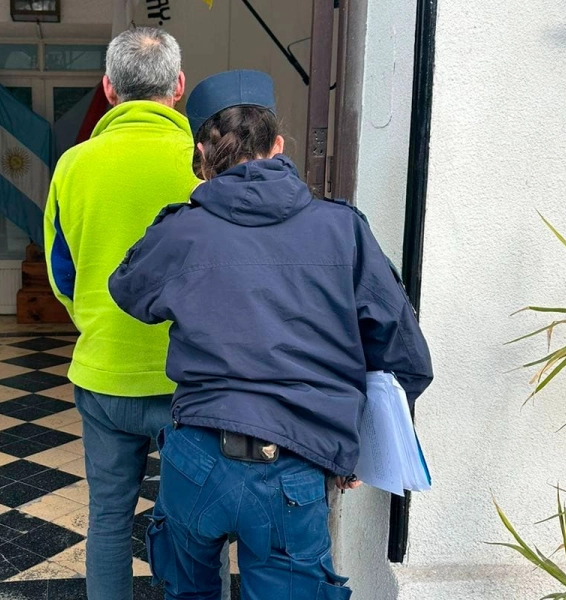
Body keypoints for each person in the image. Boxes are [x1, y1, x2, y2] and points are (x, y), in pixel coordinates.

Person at [108, 70, 434, 600]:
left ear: (201, 153)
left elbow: (127, 289)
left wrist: (191, 210)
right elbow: (407, 358)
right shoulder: (342, 229)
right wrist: (351, 442)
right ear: (278, 146)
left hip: (196, 460)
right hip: (294, 466)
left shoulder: (183, 230)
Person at [44, 27, 229, 600]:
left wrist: (98, 320)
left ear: (108, 88)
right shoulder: (207, 160)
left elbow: (61, 273)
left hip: (104, 374)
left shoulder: (73, 165)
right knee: (200, 527)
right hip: (193, 382)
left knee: (107, 518)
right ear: (179, 85)